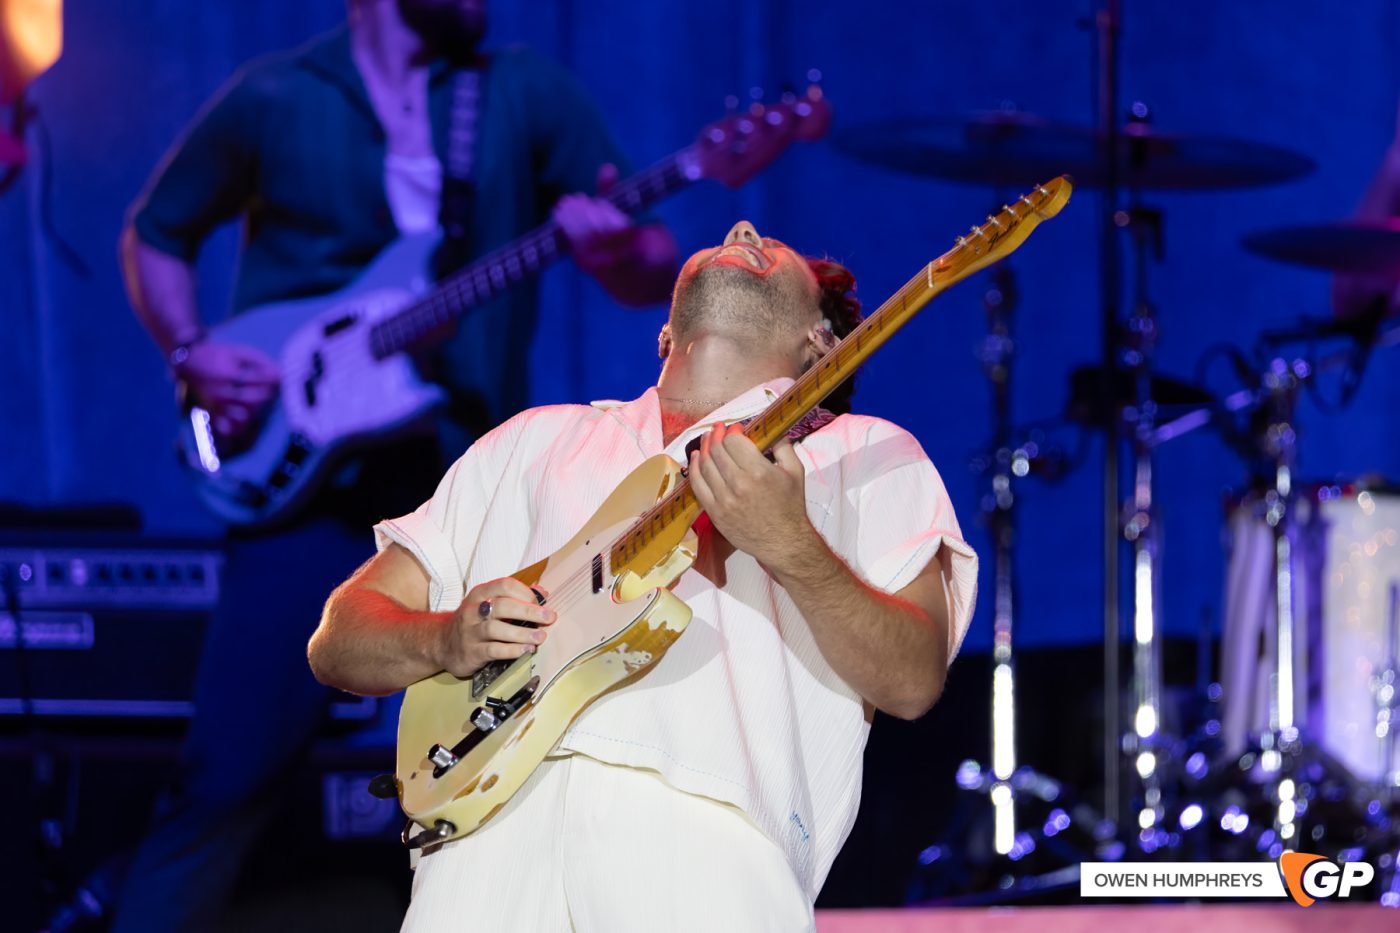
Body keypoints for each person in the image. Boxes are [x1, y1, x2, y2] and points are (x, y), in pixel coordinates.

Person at [109, 1, 677, 929]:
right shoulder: (277, 95)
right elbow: (156, 233)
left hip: (472, 484)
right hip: (305, 493)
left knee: (521, 767)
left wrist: (618, 248)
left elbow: (643, 267)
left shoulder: (522, 90)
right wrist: (191, 354)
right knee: (226, 772)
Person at [310, 220, 979, 931]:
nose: (744, 226)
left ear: (823, 341)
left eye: (780, 249)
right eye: (735, 227)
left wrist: (792, 544)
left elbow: (912, 680)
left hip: (708, 852)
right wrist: (443, 638)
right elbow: (338, 639)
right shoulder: (534, 439)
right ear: (665, 334)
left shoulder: (865, 453)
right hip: (480, 848)